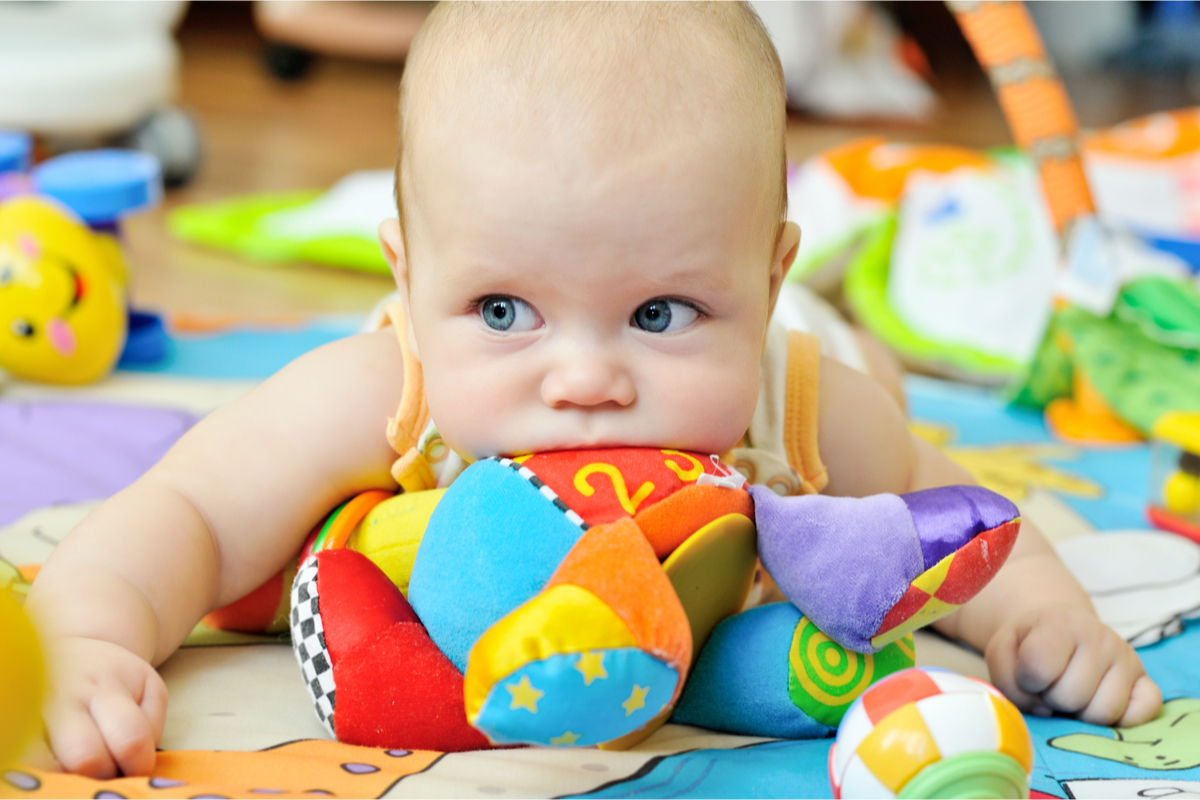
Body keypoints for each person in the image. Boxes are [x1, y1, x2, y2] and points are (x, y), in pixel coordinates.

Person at [26, 1, 1161, 780]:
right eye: (505, 311)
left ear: (765, 284)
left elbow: (943, 517)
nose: (582, 379)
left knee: (894, 411)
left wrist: (1040, 622)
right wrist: (91, 631)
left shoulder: (795, 400)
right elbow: (190, 511)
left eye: (660, 313)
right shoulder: (391, 389)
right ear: (410, 279)